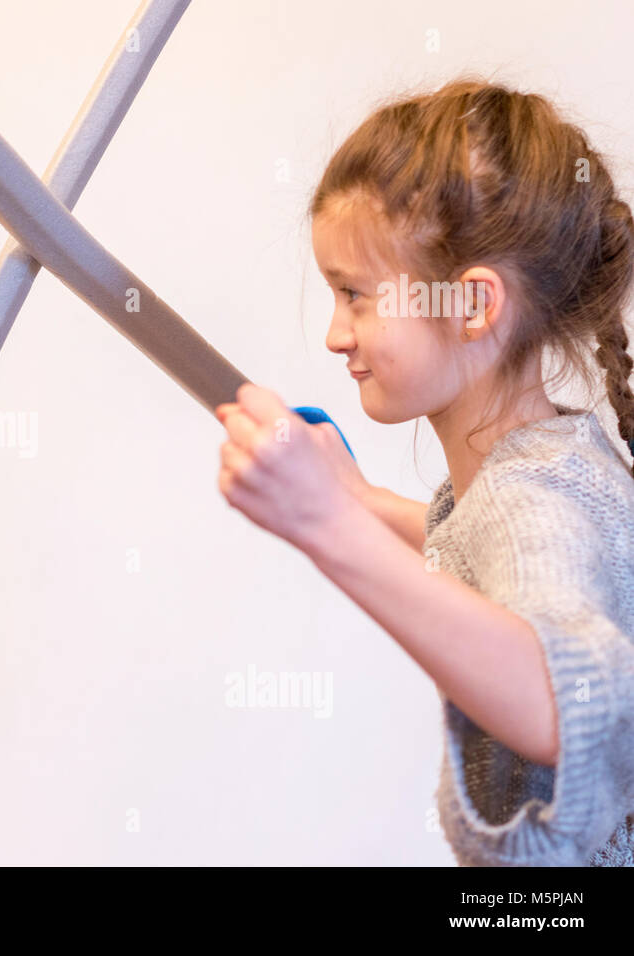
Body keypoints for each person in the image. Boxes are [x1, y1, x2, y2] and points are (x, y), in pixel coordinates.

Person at [216, 78, 634, 865]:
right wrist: (364, 501)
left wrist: (329, 527)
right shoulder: (551, 463)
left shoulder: (537, 499)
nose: (337, 334)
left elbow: (574, 699)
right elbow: (487, 558)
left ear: (473, 307)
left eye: (355, 295)